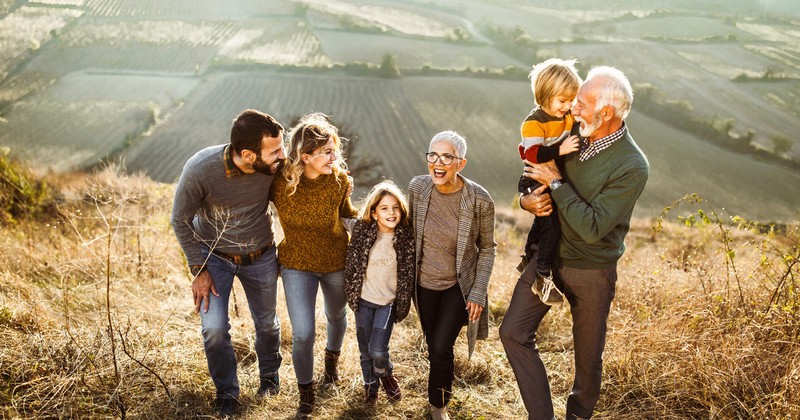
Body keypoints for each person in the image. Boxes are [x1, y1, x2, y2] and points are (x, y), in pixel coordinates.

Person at [499, 66, 649, 420]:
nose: (573, 109)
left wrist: (556, 184)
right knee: (513, 333)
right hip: (547, 257)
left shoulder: (632, 166)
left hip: (591, 269)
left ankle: (577, 416)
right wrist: (526, 201)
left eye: (582, 103)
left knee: (587, 362)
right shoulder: (573, 133)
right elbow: (533, 172)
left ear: (606, 112)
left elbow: (593, 226)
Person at [171, 109, 286, 417]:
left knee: (267, 324)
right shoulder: (201, 169)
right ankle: (227, 394)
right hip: (214, 259)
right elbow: (179, 220)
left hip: (261, 255)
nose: (282, 155)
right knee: (214, 329)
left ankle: (269, 378)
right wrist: (199, 269)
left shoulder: (274, 167)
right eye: (275, 150)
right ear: (248, 154)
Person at [269, 113, 359, 419]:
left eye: (335, 151)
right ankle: (306, 394)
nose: (334, 157)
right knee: (304, 332)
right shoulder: (279, 182)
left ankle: (331, 362)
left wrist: (374, 224)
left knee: (337, 315)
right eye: (327, 152)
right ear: (305, 156)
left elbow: (347, 214)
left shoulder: (339, 180)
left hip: (335, 260)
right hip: (296, 263)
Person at [409, 130, 496, 420]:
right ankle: (439, 394)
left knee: (441, 345)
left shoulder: (479, 199)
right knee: (434, 344)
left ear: (461, 163)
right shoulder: (418, 189)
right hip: (423, 285)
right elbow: (401, 228)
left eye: (447, 156)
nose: (438, 162)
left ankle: (438, 407)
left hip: (459, 286)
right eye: (433, 155)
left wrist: (478, 291)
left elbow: (487, 248)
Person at [516, 58, 582, 306]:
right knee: (551, 223)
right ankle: (542, 275)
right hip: (532, 178)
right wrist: (560, 149)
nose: (567, 106)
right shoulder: (534, 121)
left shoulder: (563, 115)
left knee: (543, 221)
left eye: (571, 101)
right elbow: (532, 154)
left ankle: (527, 256)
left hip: (546, 174)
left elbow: (575, 122)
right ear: (544, 95)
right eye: (562, 101)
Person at [343, 180, 414, 407]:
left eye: (395, 208)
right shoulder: (362, 231)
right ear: (374, 213)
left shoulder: (405, 238)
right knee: (365, 352)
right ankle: (370, 390)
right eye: (384, 208)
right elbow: (340, 215)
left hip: (388, 303)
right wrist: (343, 191)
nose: (391, 213)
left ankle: (386, 374)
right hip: (363, 301)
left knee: (377, 350)